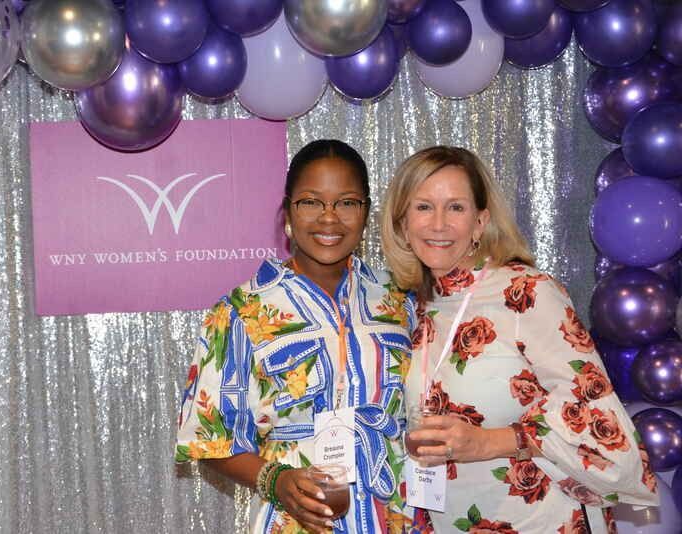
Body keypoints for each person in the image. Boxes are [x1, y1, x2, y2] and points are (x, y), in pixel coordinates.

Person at [380, 146, 658, 533]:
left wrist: (489, 442)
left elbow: (599, 421)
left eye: (456, 208)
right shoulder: (413, 309)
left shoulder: (526, 293)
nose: (438, 224)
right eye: (423, 207)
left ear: (480, 222)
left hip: (540, 521)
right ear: (402, 225)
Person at [176, 140, 417, 534]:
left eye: (347, 202)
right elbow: (210, 436)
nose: (329, 218)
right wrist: (276, 481)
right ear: (287, 211)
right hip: (297, 521)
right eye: (311, 202)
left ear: (366, 213)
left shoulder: (399, 299)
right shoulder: (242, 310)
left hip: (393, 515)